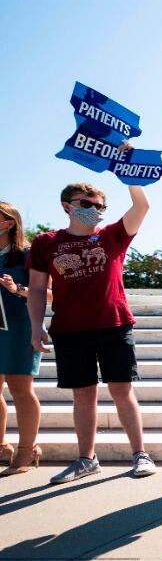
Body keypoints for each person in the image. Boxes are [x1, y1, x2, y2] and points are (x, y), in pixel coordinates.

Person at [28, 180, 156, 482]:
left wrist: (130, 176)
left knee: (121, 390)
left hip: (114, 323)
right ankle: (86, 459)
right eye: (86, 204)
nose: (94, 210)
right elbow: (36, 288)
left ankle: (140, 454)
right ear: (67, 206)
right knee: (82, 395)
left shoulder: (113, 235)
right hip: (70, 329)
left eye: (99, 206)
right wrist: (36, 325)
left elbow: (142, 207)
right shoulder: (46, 242)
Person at [0, 202, 43, 475]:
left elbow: (49, 294)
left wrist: (18, 289)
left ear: (8, 223)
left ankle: (28, 450)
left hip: (19, 327)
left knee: (20, 389)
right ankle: (1, 445)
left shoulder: (28, 254)